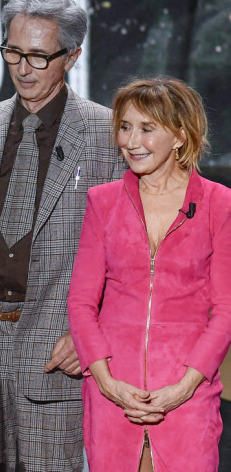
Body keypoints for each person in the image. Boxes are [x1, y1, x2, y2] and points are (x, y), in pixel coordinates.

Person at [0, 0, 125, 471]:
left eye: (39, 56)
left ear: (72, 56)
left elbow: (134, 258)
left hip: (57, 351)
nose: (23, 68)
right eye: (13, 52)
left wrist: (93, 333)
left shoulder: (109, 137)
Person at [68, 77, 231, 472]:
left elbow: (225, 310)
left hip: (187, 397)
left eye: (146, 128)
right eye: (125, 127)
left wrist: (184, 388)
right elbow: (81, 302)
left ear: (179, 135)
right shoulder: (102, 201)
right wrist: (107, 383)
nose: (131, 141)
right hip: (112, 396)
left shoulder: (218, 203)